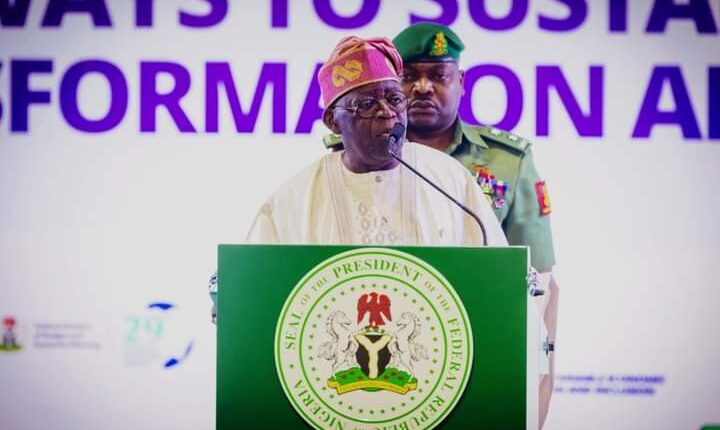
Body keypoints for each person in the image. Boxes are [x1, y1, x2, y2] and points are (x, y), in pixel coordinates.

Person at [210, 36, 508, 321]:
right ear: (333, 121)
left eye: (395, 99)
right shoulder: (295, 199)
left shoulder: (448, 179)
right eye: (366, 104)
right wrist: (231, 299)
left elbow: (498, 279)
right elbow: (250, 290)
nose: (387, 113)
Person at [392, 22, 561, 427]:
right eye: (410, 76)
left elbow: (540, 279)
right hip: (395, 338)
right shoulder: (359, 158)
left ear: (461, 82)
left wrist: (536, 385)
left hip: (481, 345)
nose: (422, 88)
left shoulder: (507, 161)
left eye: (438, 75)